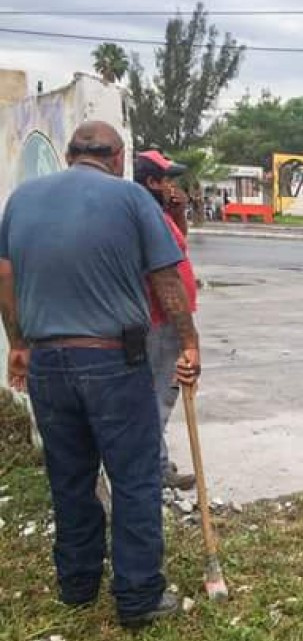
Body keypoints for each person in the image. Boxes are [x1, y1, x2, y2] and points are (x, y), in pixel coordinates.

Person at [0, 121, 200, 628]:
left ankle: (77, 584)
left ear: (69, 154)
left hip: (48, 361)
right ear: (118, 157)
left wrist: (18, 342)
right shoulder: (131, 199)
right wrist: (189, 340)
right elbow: (166, 277)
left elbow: (5, 275)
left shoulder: (21, 200)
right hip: (112, 360)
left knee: (71, 478)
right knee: (133, 479)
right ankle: (137, 597)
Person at [134, 149, 198, 490]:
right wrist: (189, 337)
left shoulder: (160, 213)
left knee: (158, 395)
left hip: (166, 320)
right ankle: (154, 470)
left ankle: (155, 462)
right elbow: (165, 276)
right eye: (166, 179)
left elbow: (180, 246)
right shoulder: (145, 217)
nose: (172, 185)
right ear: (151, 182)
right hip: (162, 321)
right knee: (160, 395)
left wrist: (178, 210)